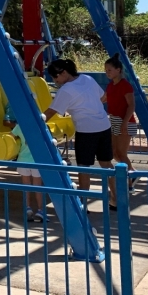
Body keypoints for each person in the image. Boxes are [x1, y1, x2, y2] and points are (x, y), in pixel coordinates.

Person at [43, 57, 117, 209]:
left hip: (86, 130)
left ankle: (82, 202)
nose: (55, 81)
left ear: (63, 73)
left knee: (83, 167)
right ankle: (116, 199)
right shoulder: (87, 78)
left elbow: (50, 113)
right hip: (103, 125)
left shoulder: (65, 90)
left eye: (55, 77)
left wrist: (33, 124)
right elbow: (103, 97)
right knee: (106, 163)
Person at [104, 54, 138, 184]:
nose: (107, 73)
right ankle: (131, 172)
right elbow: (105, 99)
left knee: (121, 152)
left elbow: (131, 105)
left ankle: (131, 175)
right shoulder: (110, 85)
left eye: (109, 70)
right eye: (106, 70)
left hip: (124, 120)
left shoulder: (125, 85)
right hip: (114, 120)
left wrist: (125, 122)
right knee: (114, 153)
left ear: (118, 70)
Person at [9, 121, 47, 223]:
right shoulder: (39, 124)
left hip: (23, 159)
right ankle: (40, 210)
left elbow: (10, 136)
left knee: (26, 186)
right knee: (37, 186)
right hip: (36, 160)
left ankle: (28, 209)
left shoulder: (19, 126)